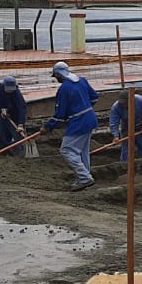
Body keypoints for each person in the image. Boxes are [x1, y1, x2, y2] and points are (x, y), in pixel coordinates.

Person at [43, 61, 99, 191]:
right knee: (83, 151)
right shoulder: (82, 81)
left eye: (55, 76)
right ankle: (84, 177)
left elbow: (60, 114)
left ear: (58, 75)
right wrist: (84, 108)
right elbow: (94, 97)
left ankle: (85, 178)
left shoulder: (64, 89)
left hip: (79, 122)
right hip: (90, 118)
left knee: (66, 150)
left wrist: (48, 126)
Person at [108, 93, 142, 161]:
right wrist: (116, 136)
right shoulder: (116, 107)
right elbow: (113, 122)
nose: (123, 105)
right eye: (122, 104)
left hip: (140, 127)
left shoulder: (140, 100)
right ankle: (125, 164)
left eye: (125, 103)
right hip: (126, 128)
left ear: (130, 100)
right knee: (126, 149)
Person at [0, 75, 28, 156]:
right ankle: (3, 154)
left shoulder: (16, 93)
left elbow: (22, 108)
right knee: (1, 136)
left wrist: (21, 124)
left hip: (16, 117)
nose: (10, 91)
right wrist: (1, 109)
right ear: (3, 85)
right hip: (4, 116)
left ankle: (21, 156)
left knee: (18, 138)